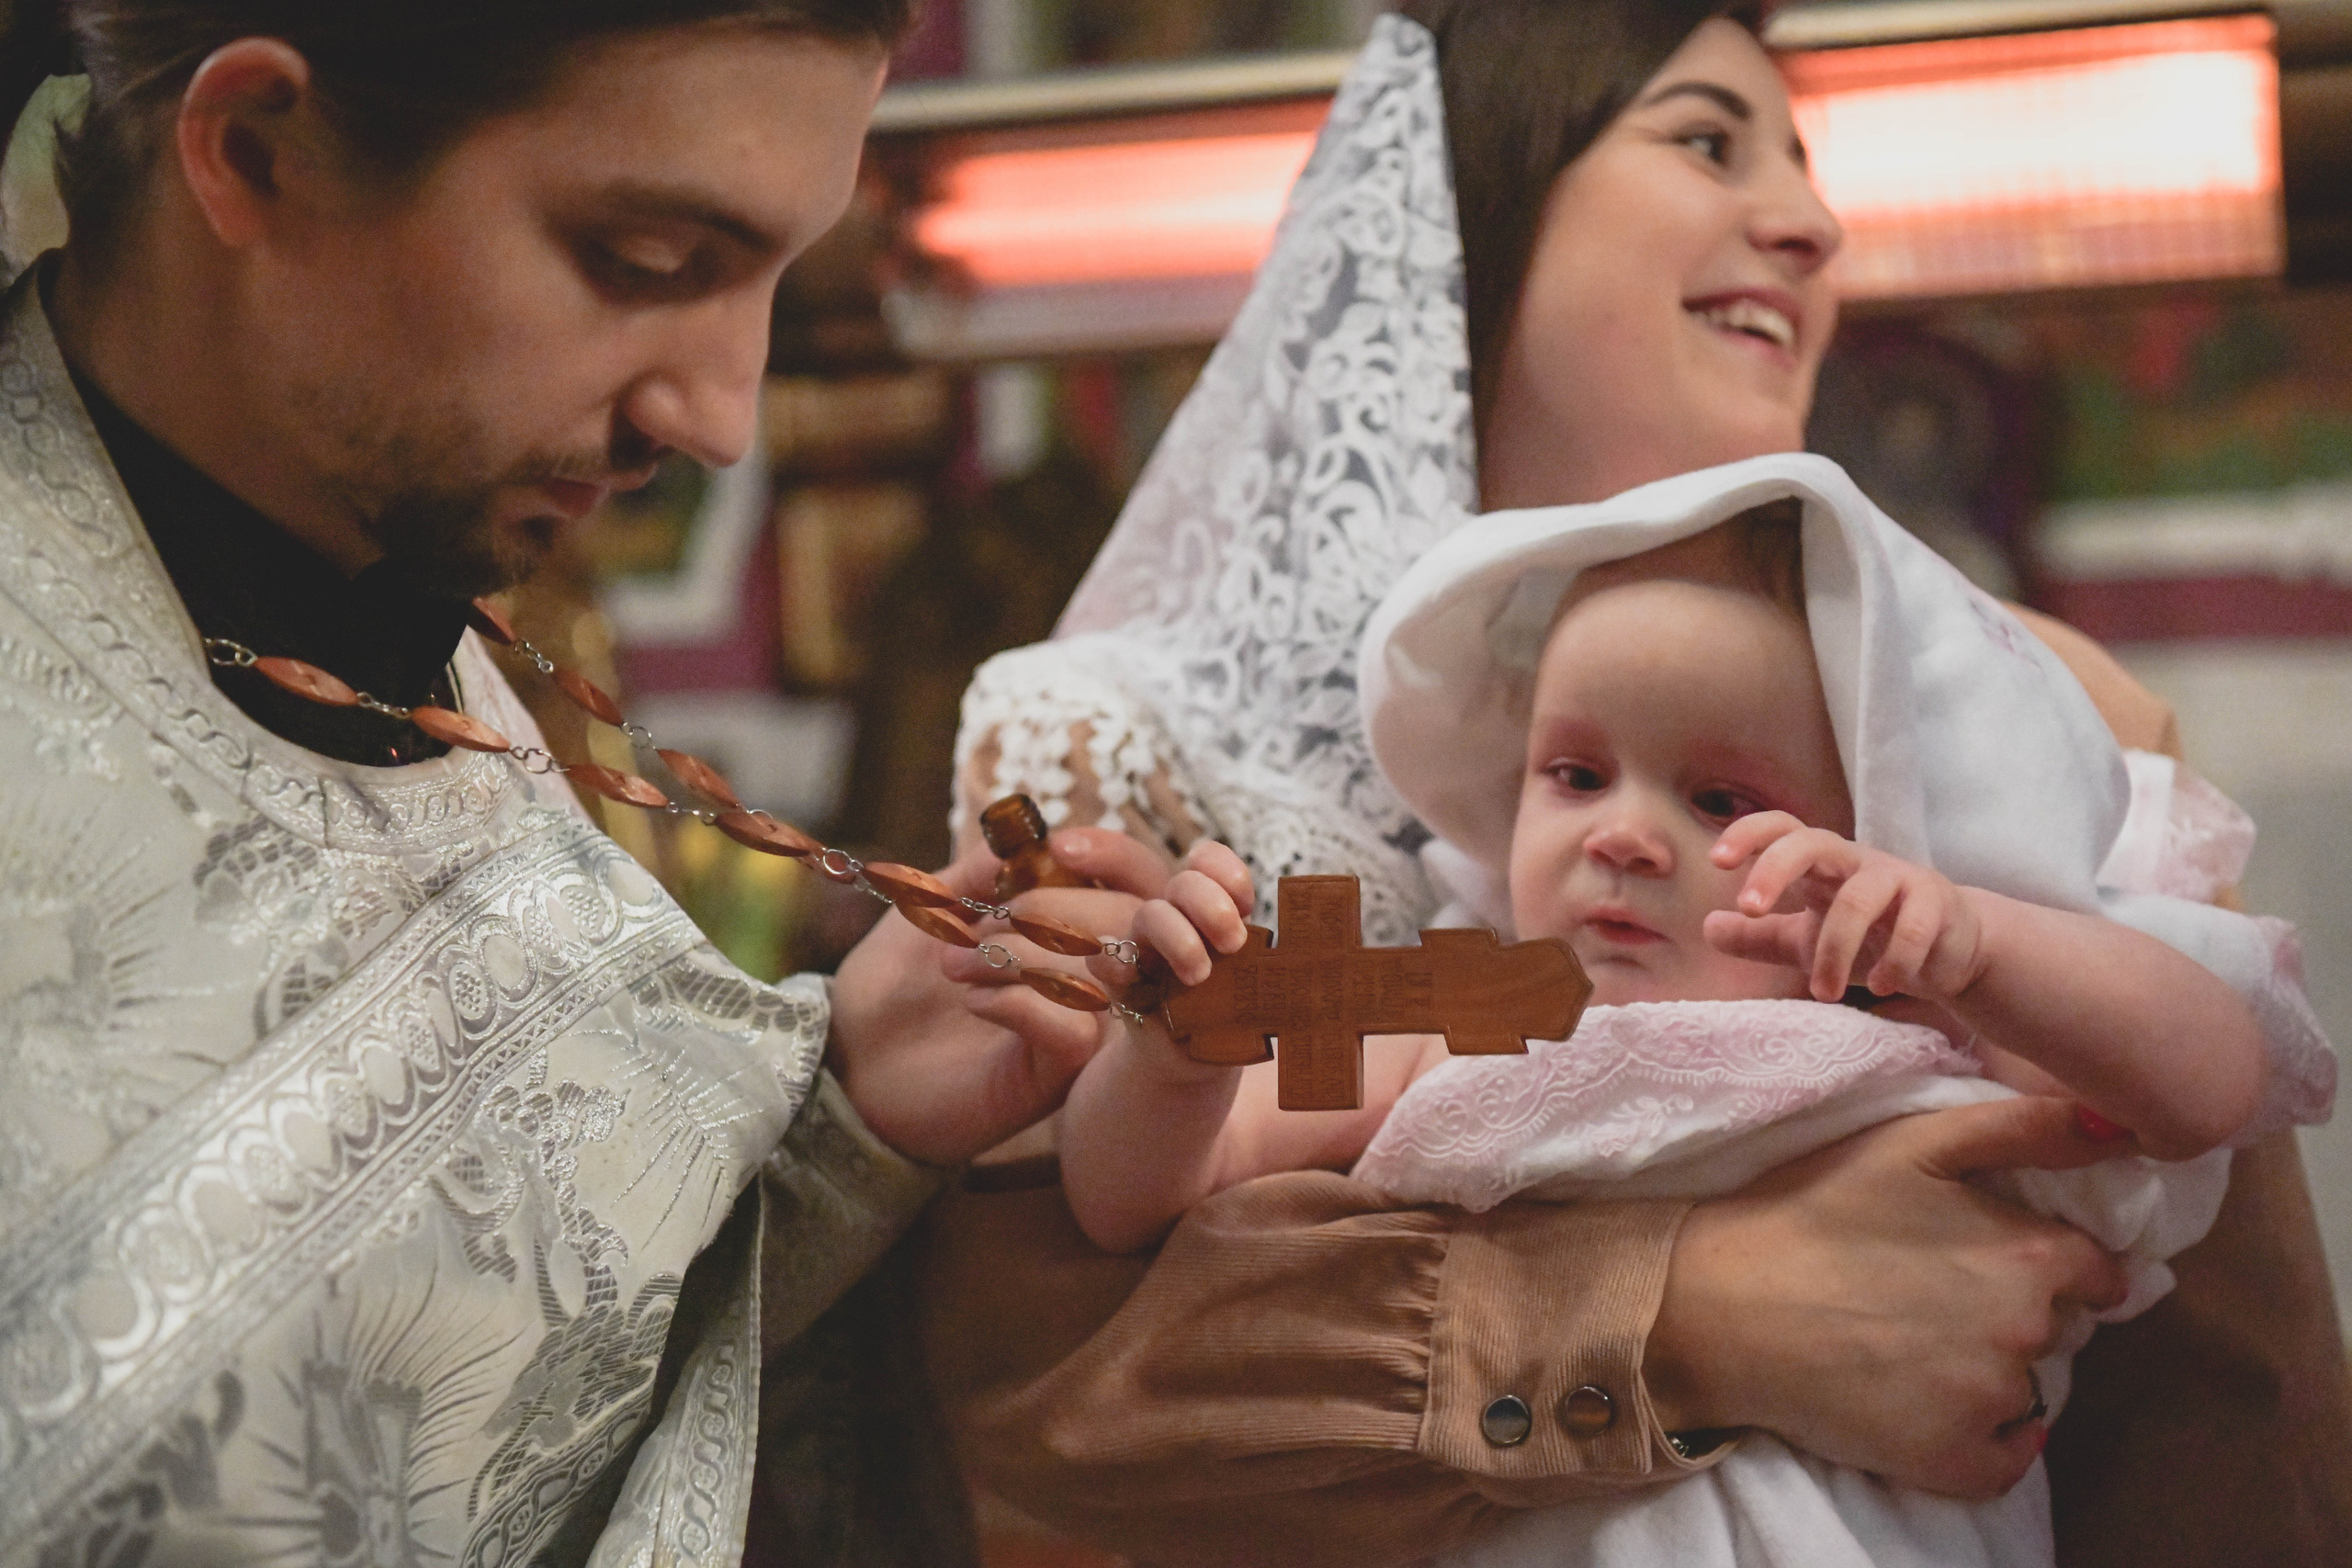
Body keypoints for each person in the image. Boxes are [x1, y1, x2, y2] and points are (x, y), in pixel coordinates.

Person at [915, 4, 2352, 1562]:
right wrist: (1698, 1303)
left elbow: (2229, 1408)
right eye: (1707, 139)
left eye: (1810, 167)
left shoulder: (2027, 713)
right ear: (1476, 212)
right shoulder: (1195, 787)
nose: (1808, 222)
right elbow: (1042, 1388)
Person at [0, 4, 1089, 1562]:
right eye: (648, 263)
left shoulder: (401, 613)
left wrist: (843, 1119)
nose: (719, 413)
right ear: (255, 154)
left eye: (780, 276)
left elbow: (483, 1381)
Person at [1040, 466, 2331, 1565]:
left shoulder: (1924, 1022)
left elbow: (2215, 1077)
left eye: (1719, 800)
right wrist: (1173, 1049)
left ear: (1882, 838)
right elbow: (1134, 1194)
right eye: (1576, 772)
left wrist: (1977, 942)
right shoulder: (1466, 1012)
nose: (1621, 835)